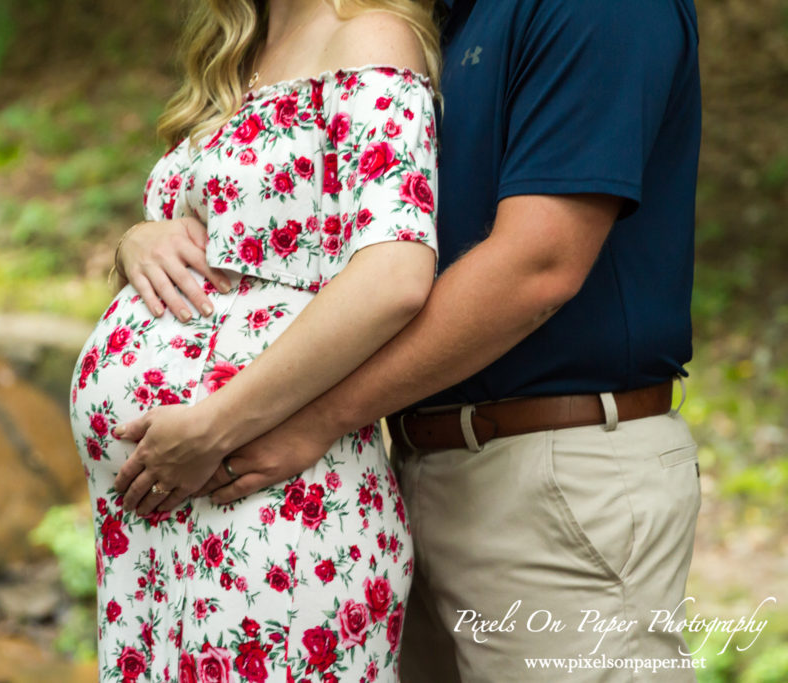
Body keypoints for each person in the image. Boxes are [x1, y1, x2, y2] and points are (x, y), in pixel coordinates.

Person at [115, 0, 704, 680]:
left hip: (556, 475)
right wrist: (153, 234)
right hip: (412, 467)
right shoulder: (442, 13)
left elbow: (537, 267)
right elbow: (328, 222)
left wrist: (318, 417)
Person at [69, 1, 444, 680]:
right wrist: (136, 242)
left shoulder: (369, 32)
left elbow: (395, 273)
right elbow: (214, 245)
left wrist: (212, 424)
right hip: (150, 539)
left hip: (274, 507)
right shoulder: (236, 53)